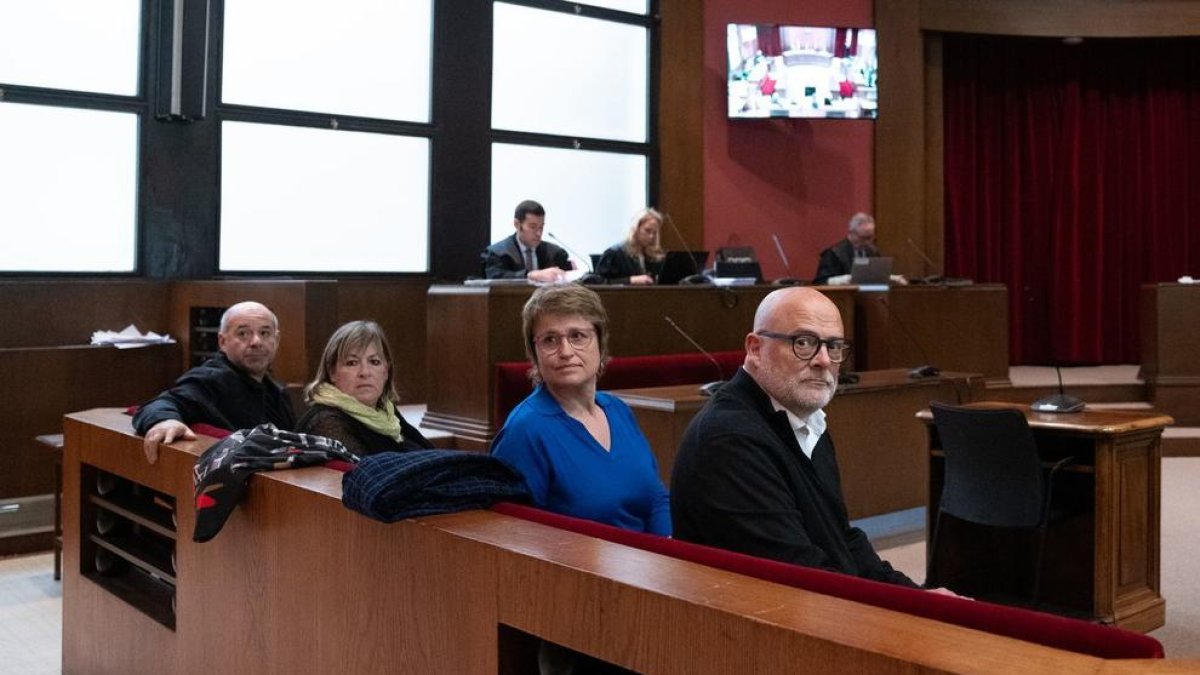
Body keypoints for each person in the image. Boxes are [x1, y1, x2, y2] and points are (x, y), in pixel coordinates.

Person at [671, 287, 955, 592]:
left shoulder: (804, 418)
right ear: (755, 349)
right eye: (803, 343)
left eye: (834, 346)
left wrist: (920, 598)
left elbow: (842, 540)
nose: (823, 360)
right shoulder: (729, 440)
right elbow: (800, 578)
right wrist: (909, 614)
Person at [490, 284, 670, 536]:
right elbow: (517, 535)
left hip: (649, 566)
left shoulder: (618, 410)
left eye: (577, 336)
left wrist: (667, 552)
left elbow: (656, 497)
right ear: (535, 352)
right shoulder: (525, 431)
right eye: (550, 340)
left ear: (600, 342)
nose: (565, 351)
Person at [132, 301, 296, 464]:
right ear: (222, 341)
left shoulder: (276, 391)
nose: (256, 342)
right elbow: (161, 403)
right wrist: (165, 421)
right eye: (243, 334)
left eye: (265, 333)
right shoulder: (211, 380)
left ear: (277, 339)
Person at [297, 320, 433, 456]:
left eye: (374, 362)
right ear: (332, 372)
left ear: (386, 371)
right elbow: (372, 474)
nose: (365, 372)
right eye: (352, 363)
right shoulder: (325, 422)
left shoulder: (386, 412)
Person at [481, 199, 573, 282]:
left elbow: (569, 275)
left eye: (541, 227)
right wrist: (531, 275)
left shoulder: (554, 252)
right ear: (517, 224)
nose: (538, 233)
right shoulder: (498, 253)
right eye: (533, 227)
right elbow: (496, 277)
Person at [595, 207, 665, 285]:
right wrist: (630, 280)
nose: (651, 236)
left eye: (654, 233)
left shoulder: (651, 256)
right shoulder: (614, 254)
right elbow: (600, 283)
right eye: (647, 230)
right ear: (635, 229)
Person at [813, 212, 880, 284]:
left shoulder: (873, 252)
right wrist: (842, 280)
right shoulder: (834, 253)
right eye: (863, 238)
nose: (867, 242)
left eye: (870, 238)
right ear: (851, 232)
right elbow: (821, 281)